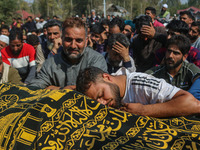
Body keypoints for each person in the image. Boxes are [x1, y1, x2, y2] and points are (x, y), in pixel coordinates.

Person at [76, 66, 200, 118]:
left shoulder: (140, 84)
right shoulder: (104, 87)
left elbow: (193, 104)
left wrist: (144, 111)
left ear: (107, 77)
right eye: (96, 102)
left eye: (101, 95)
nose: (102, 103)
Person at [28, 17, 107, 89]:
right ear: (61, 40)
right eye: (68, 40)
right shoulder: (50, 64)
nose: (73, 46)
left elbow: (96, 88)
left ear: (86, 41)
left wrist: (55, 89)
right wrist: (63, 89)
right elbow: (35, 87)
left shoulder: (96, 59)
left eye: (78, 40)